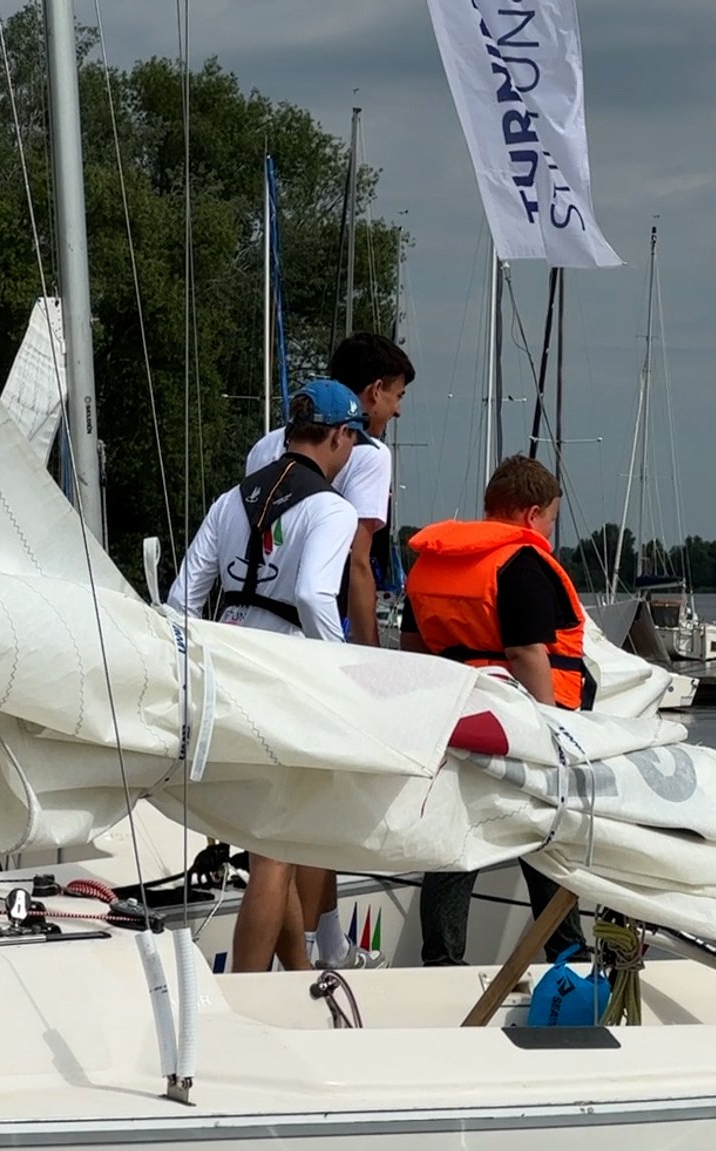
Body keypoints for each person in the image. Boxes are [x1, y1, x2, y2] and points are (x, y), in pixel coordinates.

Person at [166, 381, 367, 973]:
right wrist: (344, 672)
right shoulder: (332, 508)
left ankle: (299, 979)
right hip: (282, 680)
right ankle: (248, 997)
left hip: (225, 669)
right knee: (277, 852)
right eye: (353, 439)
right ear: (338, 436)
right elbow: (311, 594)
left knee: (265, 844)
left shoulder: (232, 500)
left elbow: (182, 599)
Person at [245, 332, 413, 969]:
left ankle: (305, 957)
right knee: (316, 810)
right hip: (315, 642)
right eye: (396, 397)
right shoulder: (366, 452)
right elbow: (360, 565)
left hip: (251, 638)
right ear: (372, 394)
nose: (396, 411)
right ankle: (326, 946)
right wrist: (371, 662)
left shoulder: (271, 443)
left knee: (276, 827)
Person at [402, 455, 592, 966]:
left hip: (455, 716)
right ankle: (568, 954)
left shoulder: (430, 563)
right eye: (551, 518)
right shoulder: (522, 564)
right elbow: (525, 652)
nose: (550, 530)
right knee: (544, 833)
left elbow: (412, 645)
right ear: (532, 514)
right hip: (519, 722)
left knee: (456, 835)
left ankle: (441, 961)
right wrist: (552, 731)